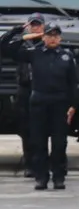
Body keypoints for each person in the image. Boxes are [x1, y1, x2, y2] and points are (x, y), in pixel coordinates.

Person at [10, 22, 77, 190]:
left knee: (59, 143)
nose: (53, 38)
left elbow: (73, 84)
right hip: (39, 102)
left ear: (60, 38)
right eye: (49, 35)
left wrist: (73, 105)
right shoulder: (35, 53)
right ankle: (41, 177)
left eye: (56, 35)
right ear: (43, 37)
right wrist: (23, 33)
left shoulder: (67, 56)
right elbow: (8, 48)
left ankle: (59, 177)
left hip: (60, 103)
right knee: (38, 142)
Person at [0, 13, 45, 178]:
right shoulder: (21, 45)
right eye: (33, 24)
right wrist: (17, 32)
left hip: (42, 89)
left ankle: (42, 163)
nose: (36, 27)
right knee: (26, 129)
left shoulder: (46, 43)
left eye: (38, 24)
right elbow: (3, 45)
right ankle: (29, 164)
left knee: (41, 129)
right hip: (25, 90)